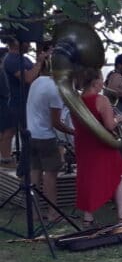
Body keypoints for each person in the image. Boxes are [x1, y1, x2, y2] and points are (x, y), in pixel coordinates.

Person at [69, 69, 122, 225]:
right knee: (119, 174)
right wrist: (118, 119)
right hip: (101, 144)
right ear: (96, 81)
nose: (103, 83)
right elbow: (109, 125)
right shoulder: (101, 100)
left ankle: (87, 217)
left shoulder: (76, 100)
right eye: (102, 79)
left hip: (83, 143)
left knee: (87, 177)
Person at [25, 58, 72, 212]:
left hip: (31, 134)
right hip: (45, 137)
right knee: (50, 175)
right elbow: (56, 123)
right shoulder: (55, 90)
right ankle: (53, 213)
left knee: (35, 174)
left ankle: (35, 213)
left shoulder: (38, 81)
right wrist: (73, 132)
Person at [2, 36, 42, 166]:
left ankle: (29, 161)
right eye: (26, 41)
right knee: (11, 131)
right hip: (17, 101)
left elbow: (35, 76)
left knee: (27, 132)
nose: (29, 44)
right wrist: (39, 62)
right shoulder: (11, 60)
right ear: (15, 42)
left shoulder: (24, 59)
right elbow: (28, 78)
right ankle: (7, 160)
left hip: (28, 101)